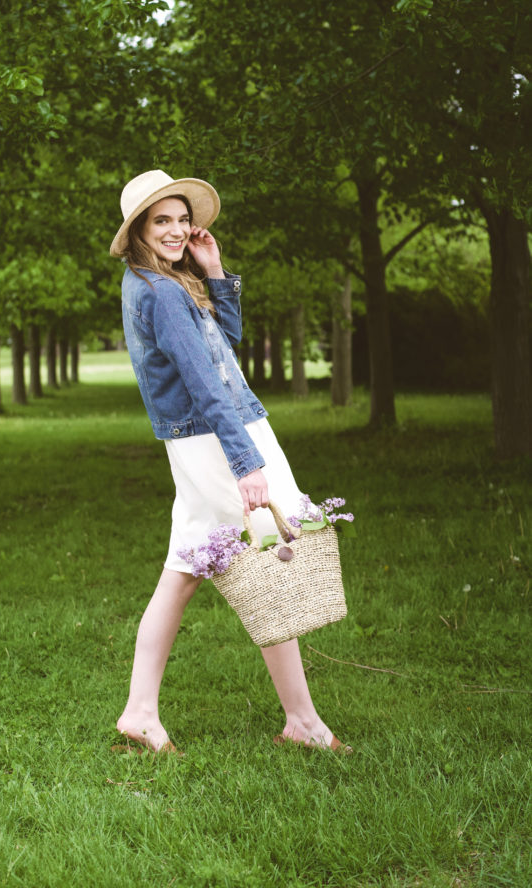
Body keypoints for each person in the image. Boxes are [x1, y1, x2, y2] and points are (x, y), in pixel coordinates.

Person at [110, 169, 350, 754]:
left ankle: (141, 711)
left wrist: (214, 273)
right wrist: (247, 462)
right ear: (139, 229)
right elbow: (205, 384)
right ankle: (303, 722)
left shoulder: (159, 282)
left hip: (201, 440)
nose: (175, 229)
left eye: (180, 218)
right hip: (219, 438)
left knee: (186, 568)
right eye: (160, 220)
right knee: (270, 559)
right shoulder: (162, 292)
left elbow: (226, 344)